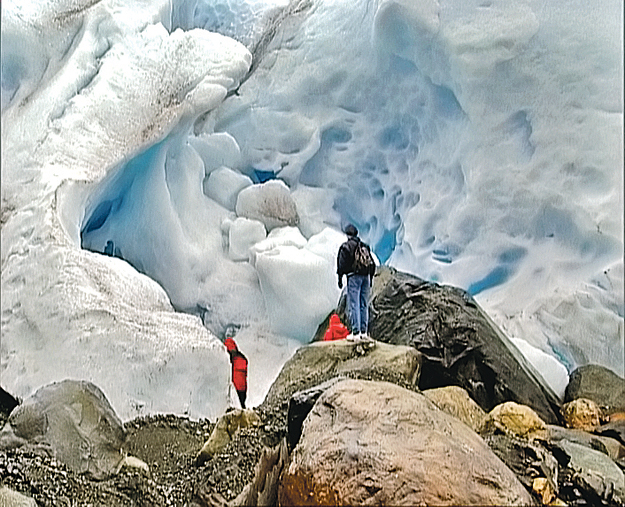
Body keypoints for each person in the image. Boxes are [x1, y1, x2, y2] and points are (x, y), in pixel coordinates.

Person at [336, 224, 375, 338]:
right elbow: (371, 263)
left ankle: (356, 332)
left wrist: (340, 278)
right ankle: (364, 332)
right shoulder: (364, 246)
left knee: (354, 304)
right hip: (366, 277)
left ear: (347, 235)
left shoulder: (346, 247)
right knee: (363, 304)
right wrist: (370, 278)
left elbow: (341, 265)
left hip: (354, 277)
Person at [224, 337, 248, 409]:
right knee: (241, 406)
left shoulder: (229, 359)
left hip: (235, 388)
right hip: (242, 388)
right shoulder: (242, 358)